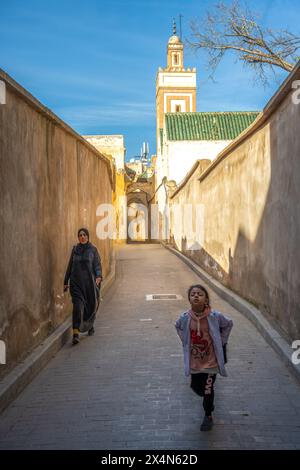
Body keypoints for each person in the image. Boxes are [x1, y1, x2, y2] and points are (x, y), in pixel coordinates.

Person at [175, 284, 233, 431]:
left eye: (200, 294)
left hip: (211, 361)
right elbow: (177, 326)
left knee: (208, 389)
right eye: (193, 293)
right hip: (195, 362)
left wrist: (222, 340)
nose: (196, 296)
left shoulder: (215, 316)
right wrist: (185, 341)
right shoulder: (184, 318)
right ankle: (208, 401)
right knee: (197, 387)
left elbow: (228, 324)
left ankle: (208, 415)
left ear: (206, 299)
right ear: (189, 298)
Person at [64, 228, 102, 345]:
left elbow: (97, 265)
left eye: (84, 235)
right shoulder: (75, 250)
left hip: (89, 284)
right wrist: (66, 281)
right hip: (76, 285)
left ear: (88, 236)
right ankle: (75, 333)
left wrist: (98, 276)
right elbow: (70, 266)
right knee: (78, 307)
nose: (82, 237)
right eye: (80, 235)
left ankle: (90, 325)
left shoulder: (93, 250)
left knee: (90, 306)